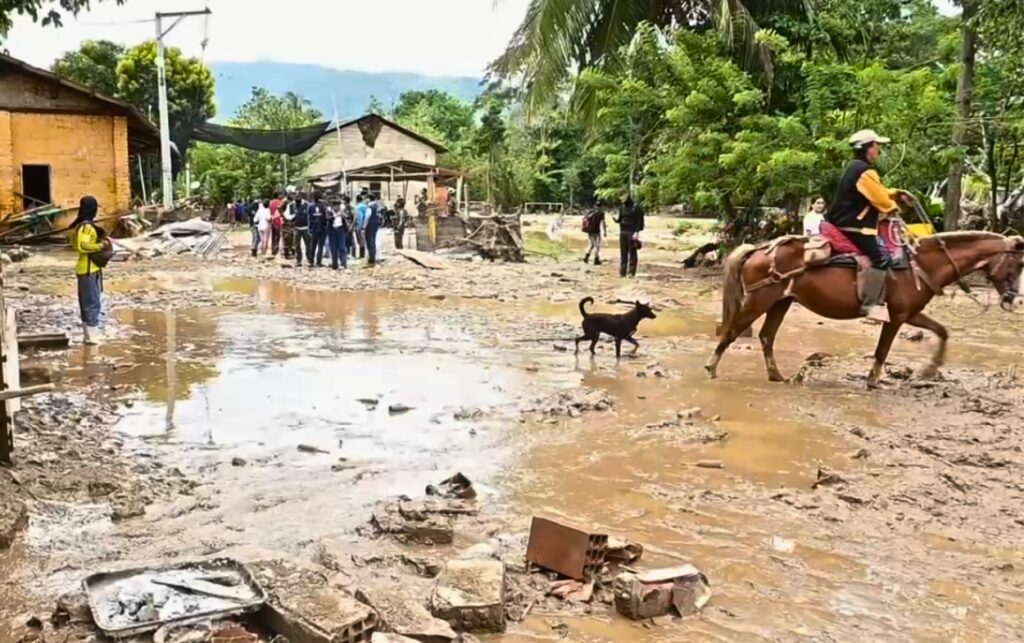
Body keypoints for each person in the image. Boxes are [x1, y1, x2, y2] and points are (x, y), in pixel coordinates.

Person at [826, 129, 911, 321]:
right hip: (854, 225)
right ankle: (870, 305)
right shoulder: (865, 171)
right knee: (882, 257)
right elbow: (879, 198)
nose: (878, 150)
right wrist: (893, 207)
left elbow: (877, 191)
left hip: (844, 221)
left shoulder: (855, 167)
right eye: (876, 146)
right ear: (867, 148)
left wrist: (895, 193)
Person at [69, 196, 110, 345]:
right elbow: (83, 246)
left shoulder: (82, 225)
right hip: (87, 270)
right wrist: (101, 246)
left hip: (90, 270)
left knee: (88, 302)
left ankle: (88, 335)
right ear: (92, 209)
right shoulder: (86, 227)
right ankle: (91, 337)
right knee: (91, 302)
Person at [614, 192, 644, 277]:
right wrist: (616, 220)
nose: (622, 200)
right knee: (623, 252)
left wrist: (637, 232)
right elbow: (620, 218)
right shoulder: (622, 207)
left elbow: (640, 220)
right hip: (623, 231)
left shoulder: (636, 207)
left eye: (623, 198)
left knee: (632, 252)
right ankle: (622, 272)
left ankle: (631, 272)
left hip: (632, 232)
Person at [290, 193, 312, 267]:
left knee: (308, 244)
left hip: (306, 228)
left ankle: (309, 260)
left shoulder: (307, 204)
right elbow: (289, 215)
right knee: (297, 245)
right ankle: (298, 260)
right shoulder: (292, 205)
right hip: (296, 228)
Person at [308, 191, 329, 266]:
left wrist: (309, 228)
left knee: (313, 245)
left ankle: (311, 261)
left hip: (313, 228)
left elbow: (309, 218)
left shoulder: (310, 206)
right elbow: (326, 217)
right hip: (322, 228)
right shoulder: (324, 206)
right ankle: (318, 262)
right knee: (320, 245)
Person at [329, 198, 350, 269]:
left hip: (341, 230)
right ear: (333, 206)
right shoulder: (329, 211)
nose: (337, 208)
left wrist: (343, 214)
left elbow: (348, 216)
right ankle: (334, 264)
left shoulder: (342, 211)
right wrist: (337, 215)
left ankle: (343, 264)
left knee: (342, 247)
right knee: (333, 248)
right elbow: (328, 218)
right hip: (332, 230)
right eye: (335, 206)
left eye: (338, 206)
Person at [365, 193, 382, 264]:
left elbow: (367, 217)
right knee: (373, 240)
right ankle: (373, 257)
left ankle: (371, 258)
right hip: (376, 223)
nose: (365, 200)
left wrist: (364, 226)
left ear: (369, 198)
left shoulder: (370, 206)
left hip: (370, 224)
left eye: (366, 198)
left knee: (369, 241)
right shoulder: (377, 206)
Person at [269, 191, 284, 256]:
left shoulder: (270, 202)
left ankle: (273, 249)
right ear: (278, 195)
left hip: (272, 220)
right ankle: (276, 248)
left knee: (273, 235)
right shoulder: (280, 202)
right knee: (278, 235)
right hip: (278, 220)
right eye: (280, 195)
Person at [355, 195, 368, 259]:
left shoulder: (358, 207)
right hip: (366, 225)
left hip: (360, 225)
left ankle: (361, 255)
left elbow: (360, 217)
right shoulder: (365, 206)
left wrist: (360, 227)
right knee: (363, 240)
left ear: (356, 200)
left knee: (360, 240)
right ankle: (363, 255)